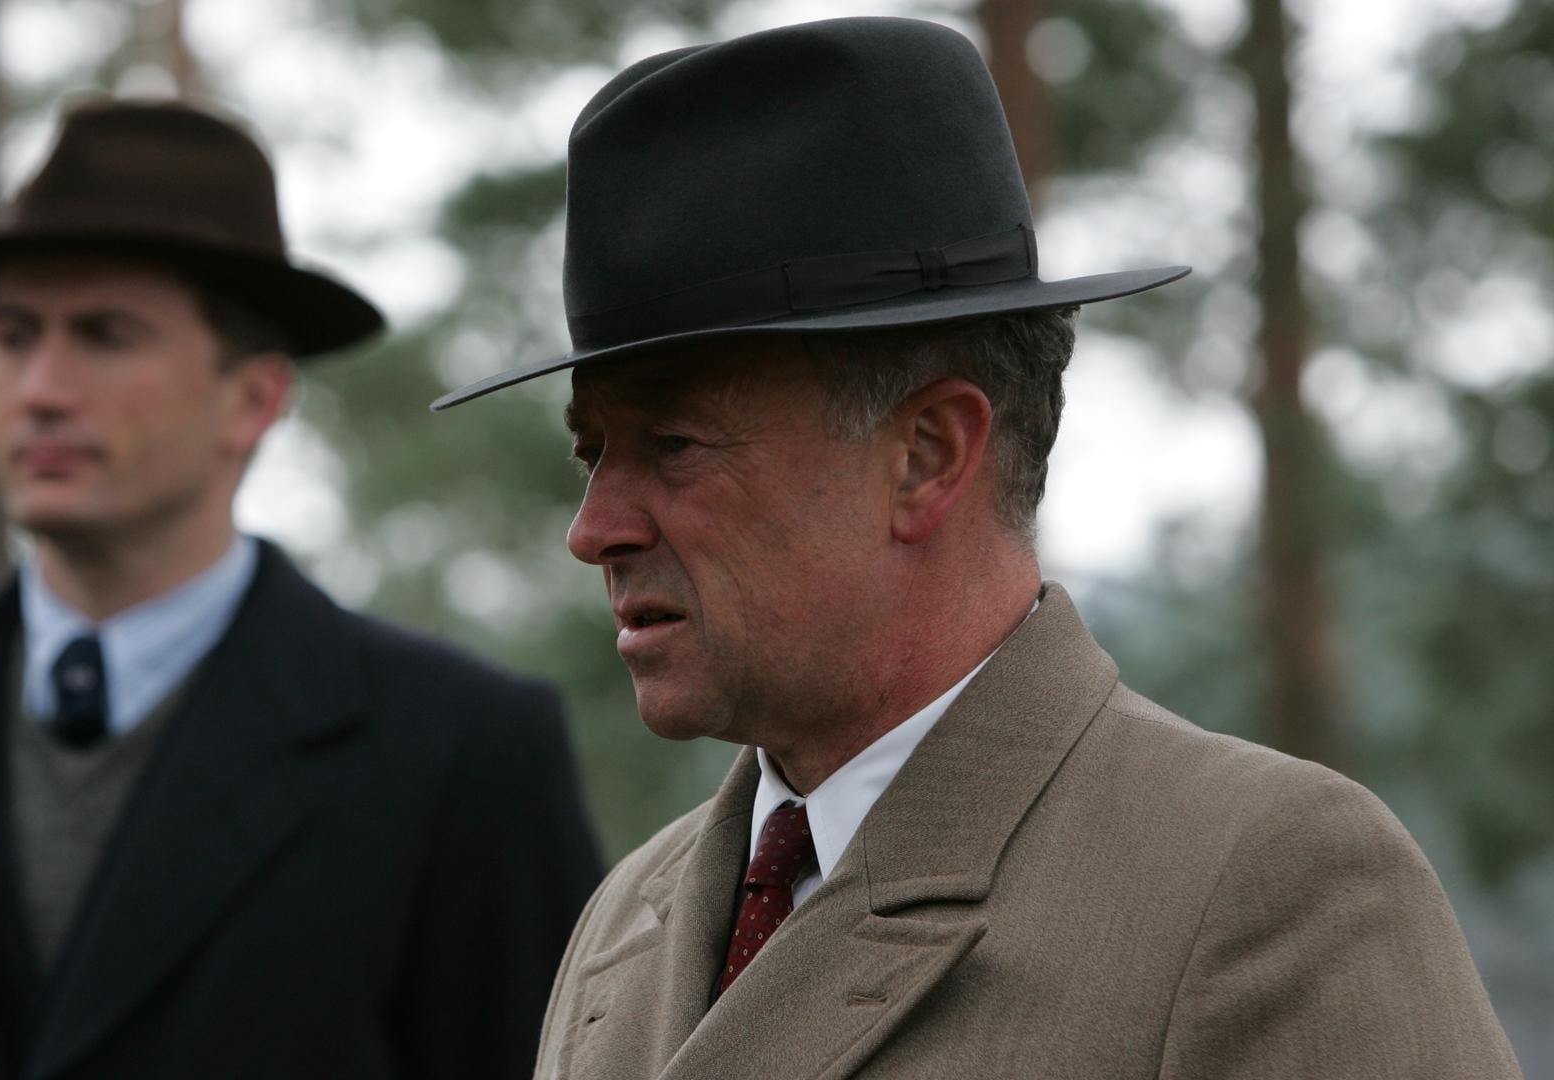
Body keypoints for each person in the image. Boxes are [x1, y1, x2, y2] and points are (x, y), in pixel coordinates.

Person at [432, 17, 1522, 1080]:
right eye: (592, 455)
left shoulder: (1260, 884)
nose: (594, 530)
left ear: (927, 455)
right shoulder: (627, 920)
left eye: (673, 445)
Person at [0, 99, 604, 1080]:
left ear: (253, 398)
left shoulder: (461, 753)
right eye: (12, 336)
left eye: (105, 334)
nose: (40, 388)